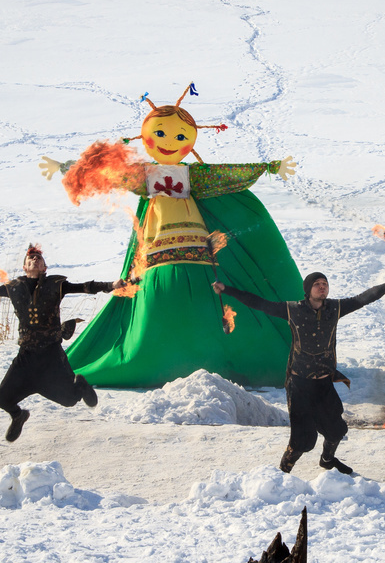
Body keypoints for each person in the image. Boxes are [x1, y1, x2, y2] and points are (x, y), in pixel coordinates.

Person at [40, 84, 304, 388]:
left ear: (190, 142)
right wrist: (67, 167)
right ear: (148, 137)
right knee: (159, 312)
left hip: (196, 255)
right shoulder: (145, 176)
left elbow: (229, 174)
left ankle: (211, 363)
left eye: (180, 136)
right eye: (162, 134)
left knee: (205, 314)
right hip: (159, 255)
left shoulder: (194, 176)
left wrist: (268, 167)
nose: (170, 142)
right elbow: (108, 173)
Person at [213, 269, 385, 474]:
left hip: (323, 382)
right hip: (300, 384)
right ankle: (283, 473)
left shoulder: (336, 307)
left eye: (325, 283)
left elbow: (366, 297)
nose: (322, 286)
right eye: (317, 283)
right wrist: (228, 290)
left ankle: (327, 460)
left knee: (336, 430)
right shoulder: (293, 310)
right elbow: (258, 302)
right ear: (308, 289)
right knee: (303, 441)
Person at [0, 245, 124, 442]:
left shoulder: (56, 284)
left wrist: (111, 285)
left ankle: (81, 385)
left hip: (51, 356)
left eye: (39, 259)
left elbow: (86, 287)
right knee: (1, 399)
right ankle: (18, 415)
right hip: (27, 357)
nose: (35, 260)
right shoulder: (14, 287)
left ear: (44, 267)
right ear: (25, 267)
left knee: (69, 400)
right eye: (30, 258)